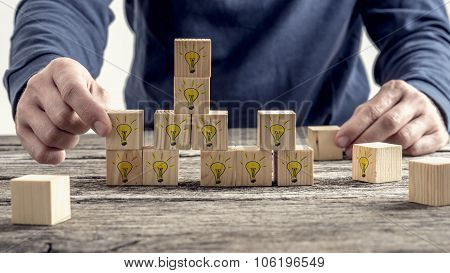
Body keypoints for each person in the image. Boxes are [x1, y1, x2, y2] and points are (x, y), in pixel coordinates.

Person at [4, 0, 450, 164]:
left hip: (333, 146)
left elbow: (419, 27)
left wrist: (429, 88)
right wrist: (44, 61)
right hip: (161, 148)